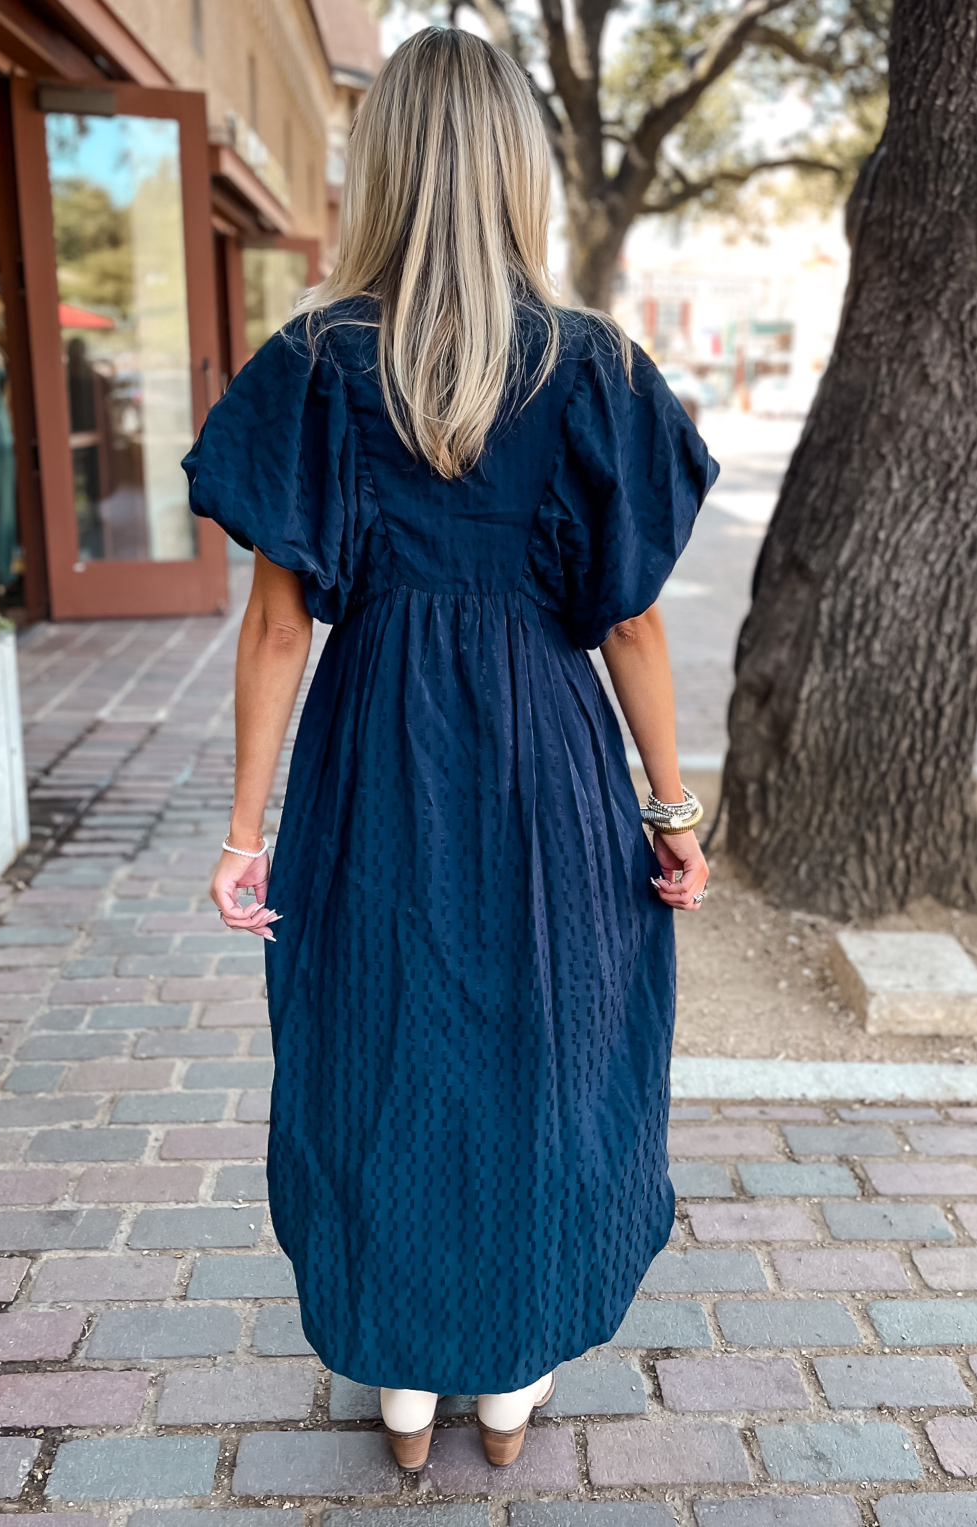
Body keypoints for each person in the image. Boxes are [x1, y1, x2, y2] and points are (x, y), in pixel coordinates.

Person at [183, 26, 716, 1472]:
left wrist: (246, 832)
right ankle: (508, 1381)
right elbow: (635, 632)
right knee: (548, 1040)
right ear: (518, 174)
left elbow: (278, 632)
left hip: (373, 752)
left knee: (379, 1035)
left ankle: (403, 1387)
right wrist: (670, 808)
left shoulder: (313, 362)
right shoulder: (595, 369)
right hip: (545, 753)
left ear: (386, 170)